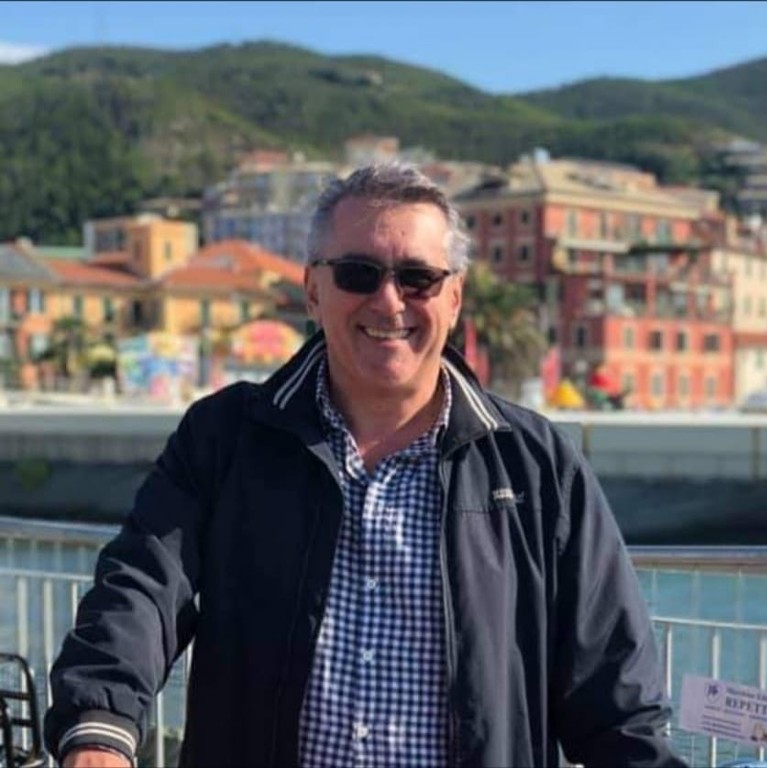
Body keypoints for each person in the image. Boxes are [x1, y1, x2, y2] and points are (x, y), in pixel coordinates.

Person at [45, 163, 686, 767]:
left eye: (417, 278)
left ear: (454, 298)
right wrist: (101, 727)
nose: (388, 301)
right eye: (358, 273)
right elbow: (142, 589)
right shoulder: (225, 437)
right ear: (313, 291)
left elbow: (616, 700)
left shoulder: (537, 467)